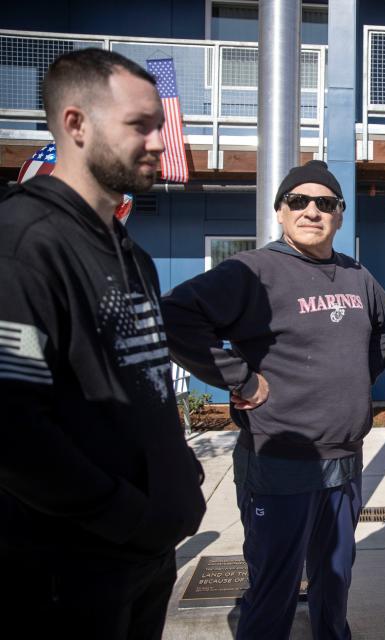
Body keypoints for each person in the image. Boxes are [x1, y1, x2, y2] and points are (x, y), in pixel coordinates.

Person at [0, 49, 206, 638]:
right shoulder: (24, 244)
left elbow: (139, 384)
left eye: (158, 126)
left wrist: (177, 474)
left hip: (144, 560)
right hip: (67, 572)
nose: (158, 143)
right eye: (139, 126)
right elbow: (12, 430)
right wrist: (128, 515)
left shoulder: (130, 253)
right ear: (75, 125)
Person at [161, 160, 385, 640]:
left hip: (345, 459)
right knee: (275, 587)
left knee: (334, 579)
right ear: (281, 211)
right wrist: (240, 380)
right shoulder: (253, 271)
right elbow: (175, 316)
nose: (312, 210)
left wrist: (357, 380)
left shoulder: (358, 276)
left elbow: (383, 323)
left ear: (340, 214)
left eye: (325, 203)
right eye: (299, 201)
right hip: (278, 461)